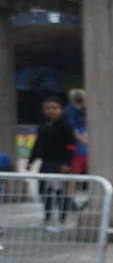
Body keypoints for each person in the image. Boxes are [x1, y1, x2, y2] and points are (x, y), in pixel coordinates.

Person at [30, 95, 76, 230]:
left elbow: (71, 146)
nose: (51, 110)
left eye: (54, 108)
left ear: (61, 109)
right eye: (48, 108)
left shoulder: (66, 126)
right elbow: (38, 144)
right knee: (44, 191)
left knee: (60, 192)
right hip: (45, 164)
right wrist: (31, 161)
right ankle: (47, 217)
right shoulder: (43, 125)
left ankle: (62, 219)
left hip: (59, 165)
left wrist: (66, 163)